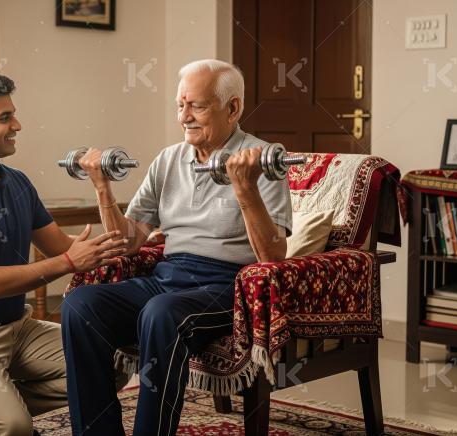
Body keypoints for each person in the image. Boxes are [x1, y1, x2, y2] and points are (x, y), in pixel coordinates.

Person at [61, 59, 292, 435]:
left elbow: (272, 257)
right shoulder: (169, 159)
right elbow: (128, 242)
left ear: (232, 108)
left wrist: (244, 188)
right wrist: (102, 187)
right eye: (180, 105)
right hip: (168, 276)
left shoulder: (260, 161)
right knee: (79, 305)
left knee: (161, 313)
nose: (184, 117)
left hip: (226, 286)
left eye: (196, 106)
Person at [0, 71, 128, 435]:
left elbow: (62, 246)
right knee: (13, 426)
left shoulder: (17, 182)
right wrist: (66, 264)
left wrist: (121, 224)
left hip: (19, 328)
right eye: (4, 118)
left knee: (114, 362)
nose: (17, 124)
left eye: (13, 114)